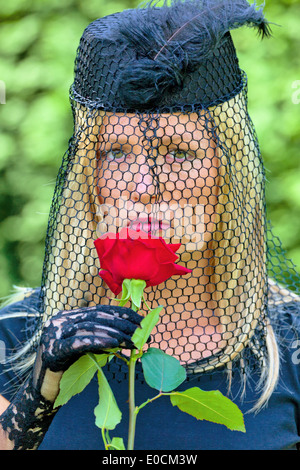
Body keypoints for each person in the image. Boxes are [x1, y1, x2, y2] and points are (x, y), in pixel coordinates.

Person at [0, 0, 299, 450]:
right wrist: (42, 383)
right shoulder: (16, 333)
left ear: (229, 172)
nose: (143, 186)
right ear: (86, 174)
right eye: (115, 153)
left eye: (180, 153)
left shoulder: (290, 343)